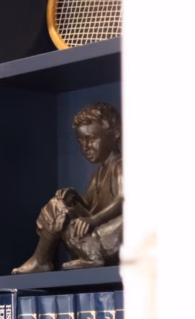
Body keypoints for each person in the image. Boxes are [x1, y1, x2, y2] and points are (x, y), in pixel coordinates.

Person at [12, 101, 123, 274]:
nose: (86, 147)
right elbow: (88, 205)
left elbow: (124, 201)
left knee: (62, 210)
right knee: (58, 204)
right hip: (94, 236)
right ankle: (41, 260)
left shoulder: (120, 165)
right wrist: (73, 198)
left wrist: (93, 220)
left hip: (109, 238)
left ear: (115, 133)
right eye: (81, 141)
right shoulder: (99, 173)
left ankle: (87, 258)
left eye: (92, 139)